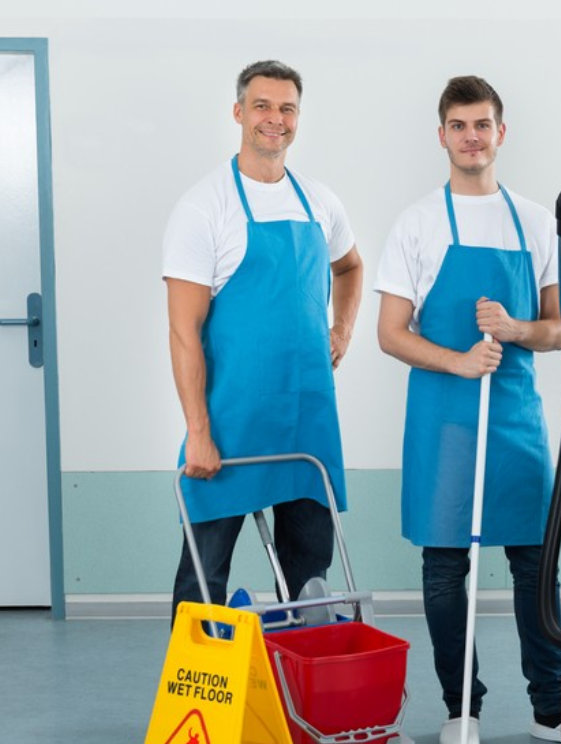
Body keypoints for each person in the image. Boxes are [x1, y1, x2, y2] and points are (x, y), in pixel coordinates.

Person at [375, 76, 561, 744]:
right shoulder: (419, 222)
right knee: (444, 568)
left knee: (534, 564)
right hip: (444, 417)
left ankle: (550, 703)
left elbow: (560, 328)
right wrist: (458, 361)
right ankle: (462, 707)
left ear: (500, 133)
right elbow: (390, 331)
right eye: (459, 125)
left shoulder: (538, 220)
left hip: (515, 416)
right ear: (443, 136)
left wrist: (515, 330)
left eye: (483, 124)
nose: (472, 137)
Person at [163, 60, 363, 621]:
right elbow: (183, 332)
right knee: (203, 583)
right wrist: (198, 432)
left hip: (307, 422)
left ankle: (302, 704)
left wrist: (342, 329)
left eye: (286, 108)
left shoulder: (319, 202)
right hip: (229, 427)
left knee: (312, 590)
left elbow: (350, 268)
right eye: (262, 106)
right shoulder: (205, 208)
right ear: (238, 113)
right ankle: (196, 703)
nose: (275, 119)